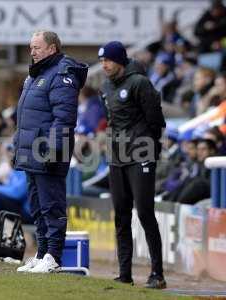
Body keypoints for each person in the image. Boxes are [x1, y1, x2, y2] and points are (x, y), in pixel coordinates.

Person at [14, 30, 87, 273]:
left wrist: (53, 149)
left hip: (48, 151)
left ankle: (53, 256)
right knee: (36, 205)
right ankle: (42, 252)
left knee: (51, 205)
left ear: (52, 48)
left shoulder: (62, 74)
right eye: (30, 47)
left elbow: (64, 116)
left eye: (37, 47)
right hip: (30, 150)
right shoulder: (34, 75)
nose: (32, 51)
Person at [98, 41, 167, 288]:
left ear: (120, 60)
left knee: (145, 212)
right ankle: (124, 273)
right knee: (121, 215)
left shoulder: (139, 83)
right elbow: (111, 121)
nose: (104, 65)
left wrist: (148, 146)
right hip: (117, 158)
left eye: (108, 60)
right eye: (101, 61)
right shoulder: (105, 86)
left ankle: (157, 274)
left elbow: (156, 119)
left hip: (141, 155)